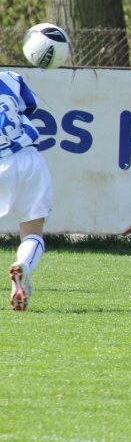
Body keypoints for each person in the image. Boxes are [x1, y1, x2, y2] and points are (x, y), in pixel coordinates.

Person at [0, 71, 53, 311]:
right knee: (32, 233)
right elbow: (29, 106)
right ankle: (22, 265)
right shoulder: (12, 77)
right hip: (28, 158)